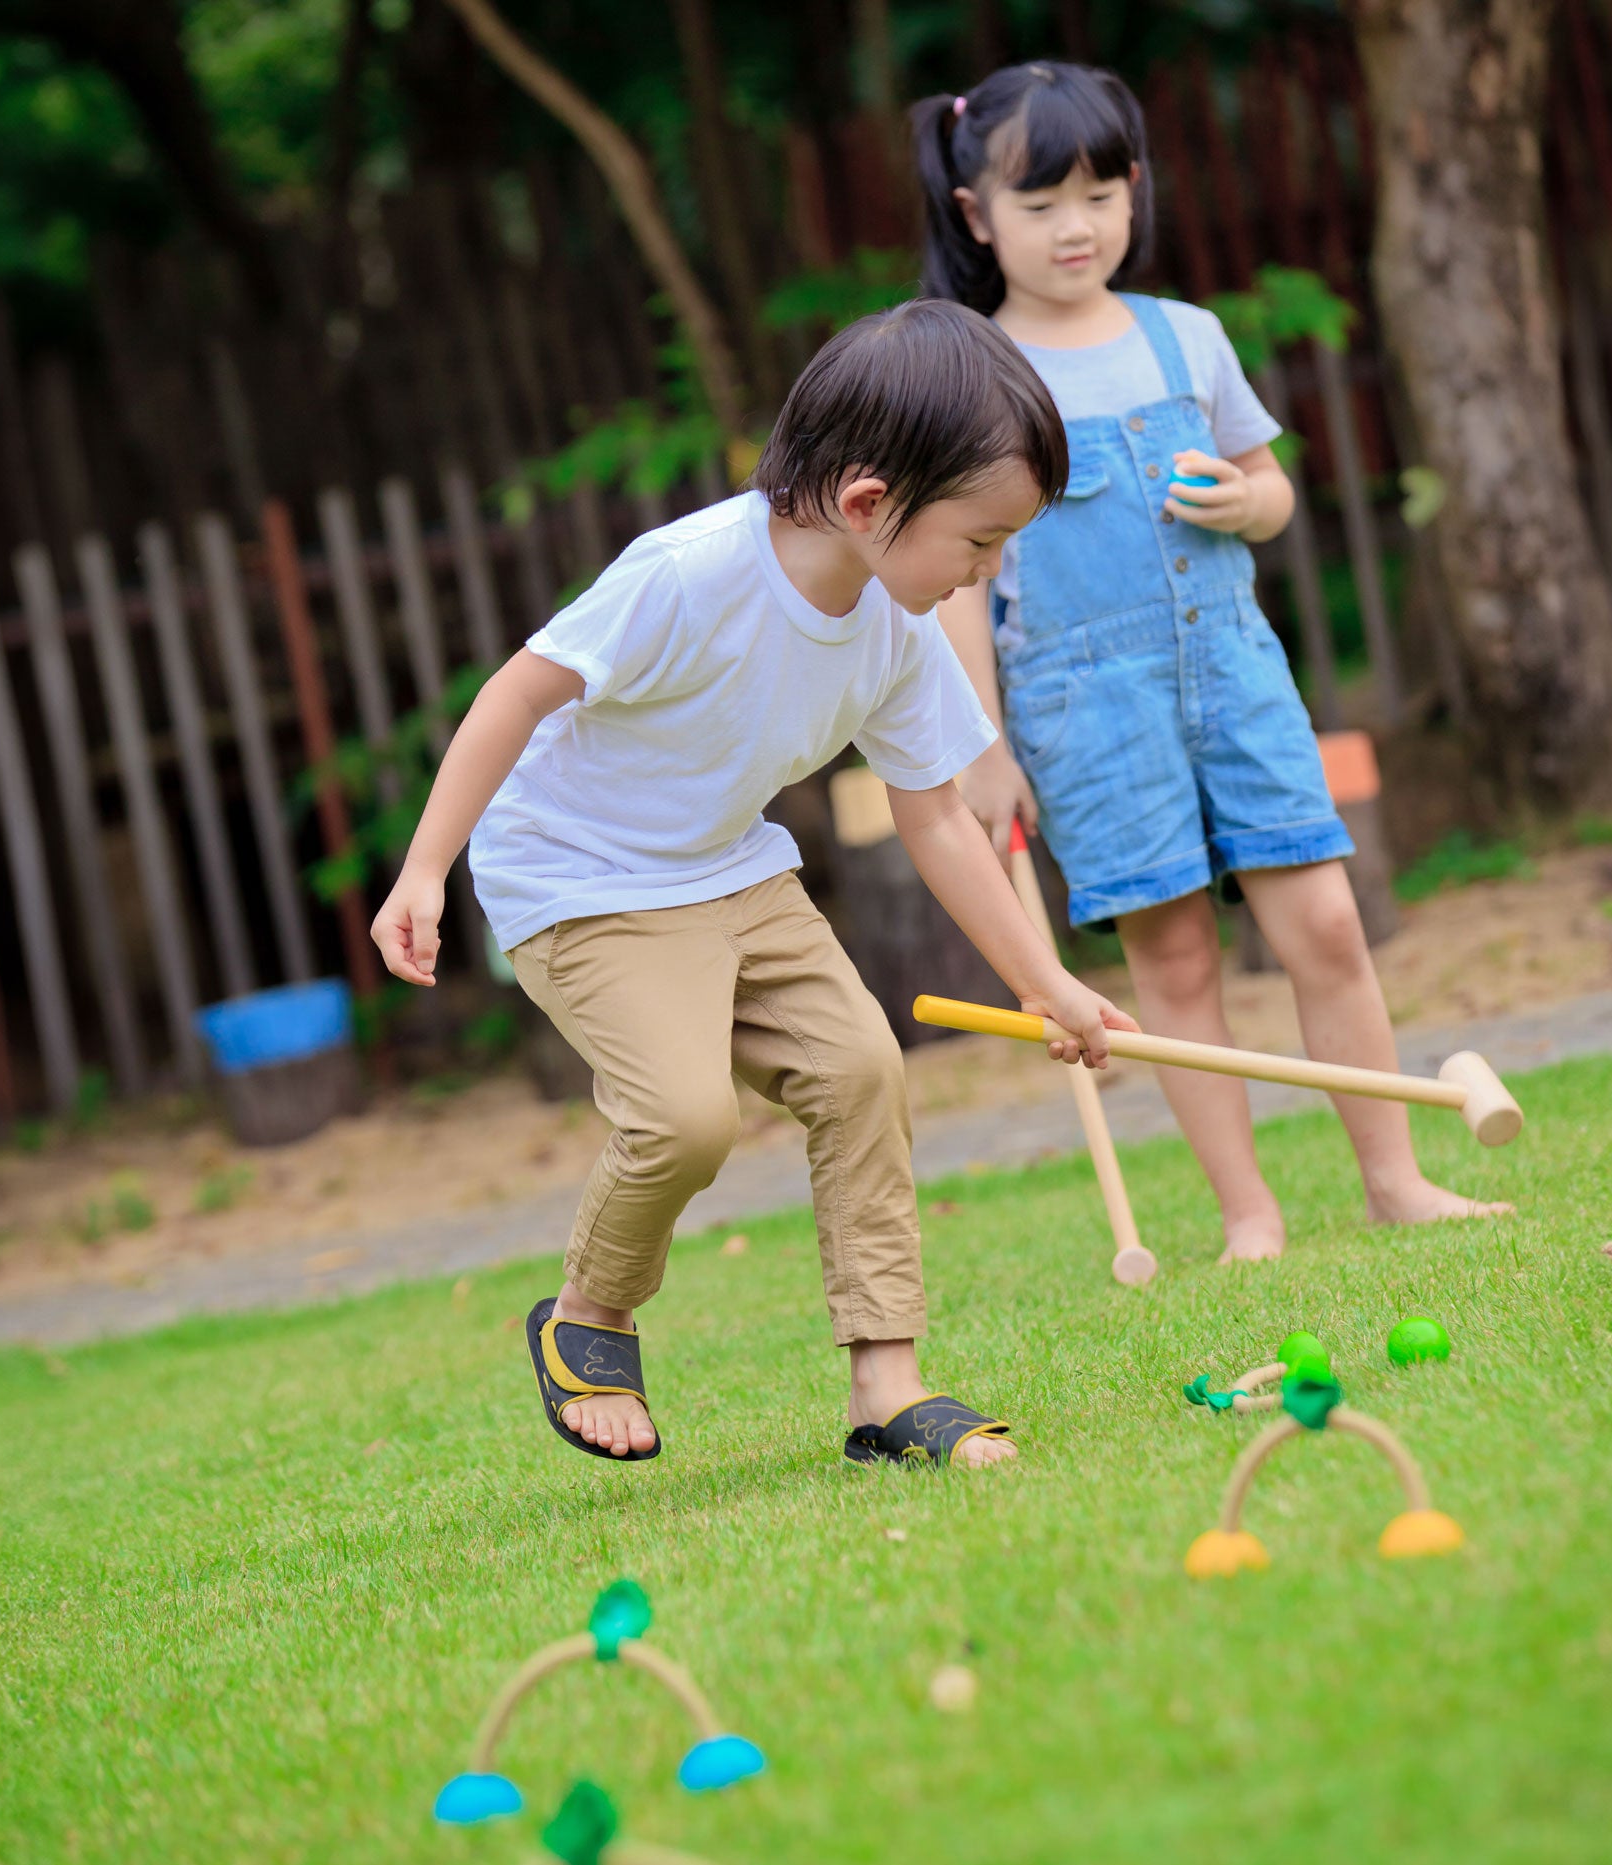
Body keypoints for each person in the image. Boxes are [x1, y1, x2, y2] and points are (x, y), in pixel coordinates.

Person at [371, 299, 1138, 1469]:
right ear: (871, 503)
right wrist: (426, 867)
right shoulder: (684, 575)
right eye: (978, 543)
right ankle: (591, 1311)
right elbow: (517, 693)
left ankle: (885, 1383)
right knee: (683, 1119)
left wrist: (1047, 986)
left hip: (730, 868)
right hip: (579, 880)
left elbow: (932, 814)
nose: (987, 571)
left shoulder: (894, 623)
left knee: (859, 1068)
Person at [914, 61, 1509, 1262]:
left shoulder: (1186, 334)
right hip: (1083, 707)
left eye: (1099, 193)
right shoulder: (974, 373)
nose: (1075, 226)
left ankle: (1391, 1178)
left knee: (1328, 926)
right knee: (1172, 956)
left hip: (1234, 673)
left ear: (1134, 190)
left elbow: (1270, 486)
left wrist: (1248, 503)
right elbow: (957, 586)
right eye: (1038, 205)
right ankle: (1248, 1213)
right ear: (976, 215)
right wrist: (980, 747)